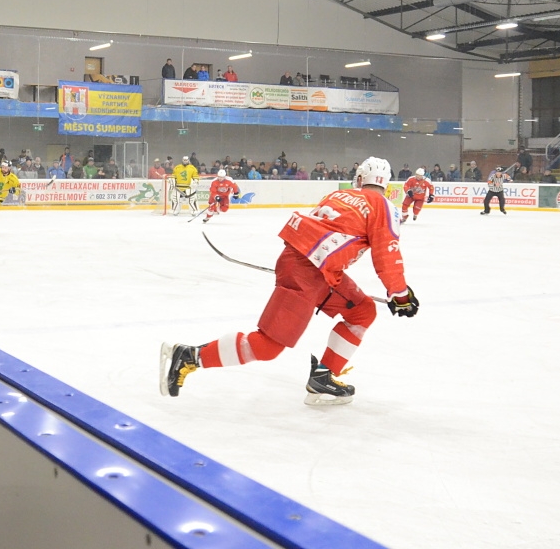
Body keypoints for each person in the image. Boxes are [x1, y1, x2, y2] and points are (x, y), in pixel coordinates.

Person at [161, 157, 418, 406]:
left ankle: (323, 377)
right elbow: (387, 253)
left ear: (360, 178)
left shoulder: (337, 195)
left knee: (362, 310)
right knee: (267, 346)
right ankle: (189, 357)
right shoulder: (382, 206)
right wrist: (400, 295)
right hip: (308, 272)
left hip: (316, 269)